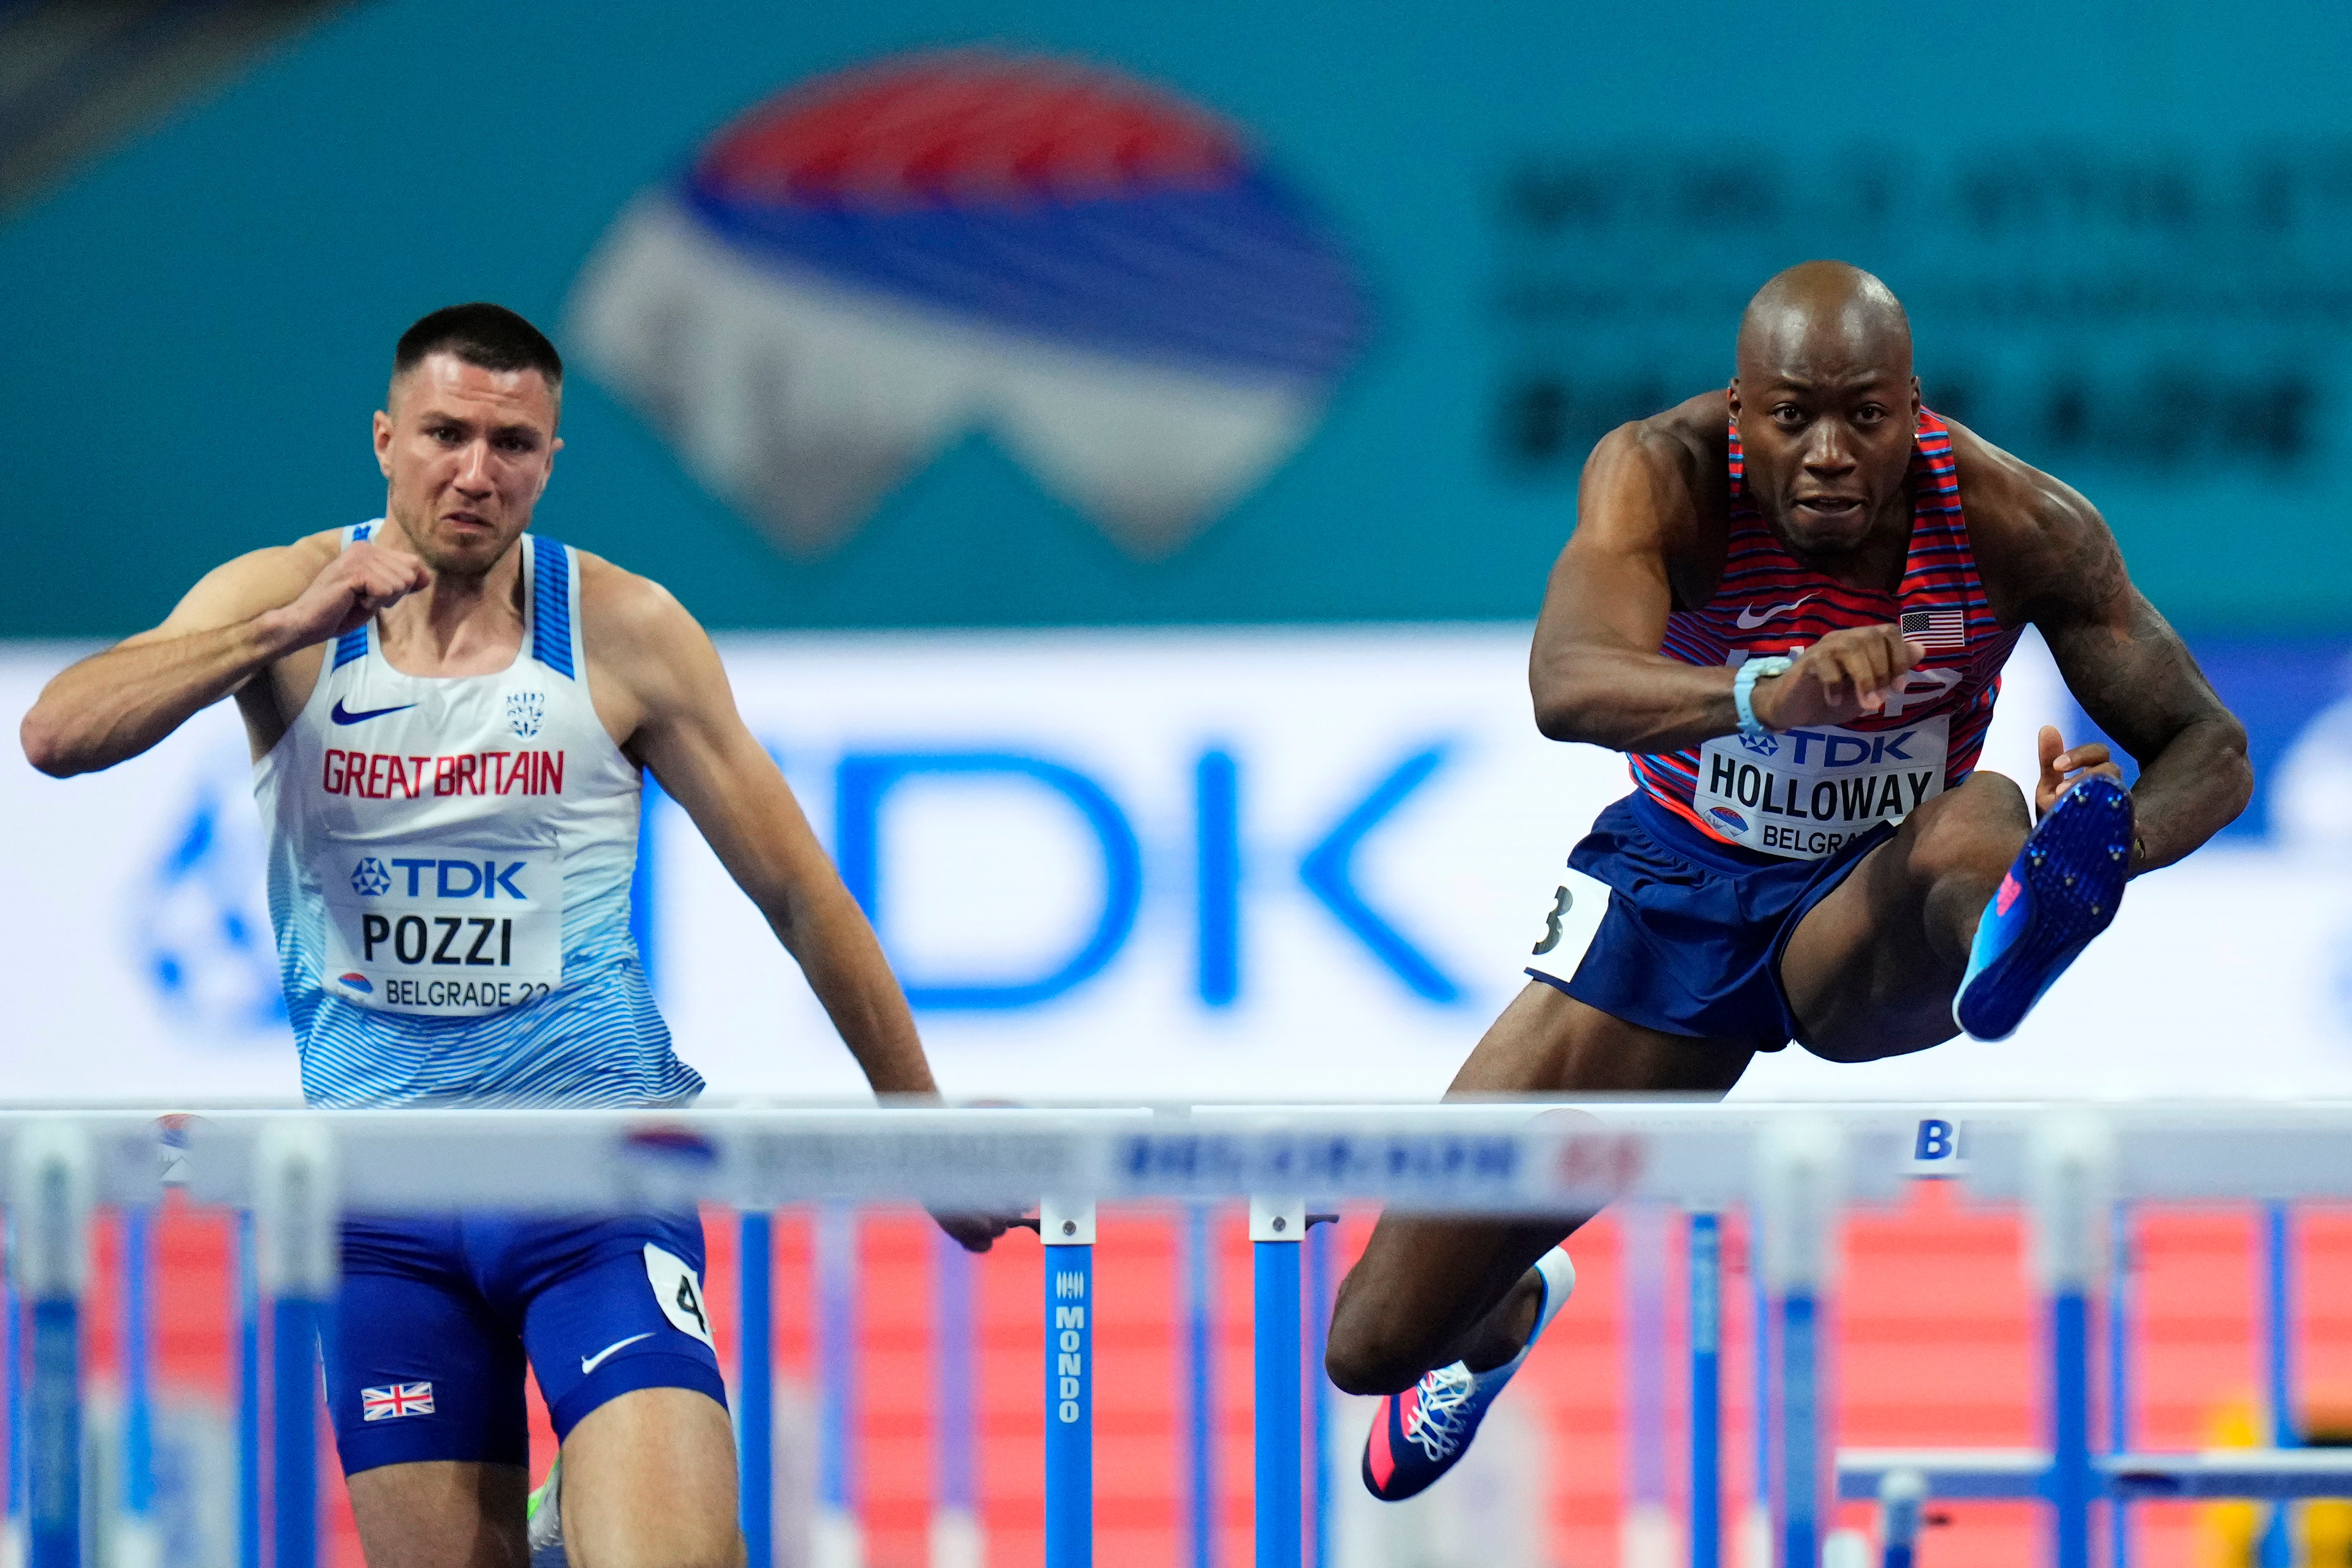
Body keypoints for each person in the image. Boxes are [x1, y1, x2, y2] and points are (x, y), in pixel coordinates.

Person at [18, 303, 1009, 1568]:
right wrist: (281, 632)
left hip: (595, 1182)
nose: (476, 472)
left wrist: (922, 1132)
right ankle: (552, 1533)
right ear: (386, 440)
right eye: (445, 434)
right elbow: (56, 735)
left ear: (550, 460)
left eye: (513, 444)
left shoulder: (625, 630)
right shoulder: (281, 595)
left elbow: (803, 896)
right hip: (382, 1209)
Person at [1324, 261, 2252, 1501]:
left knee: (1981, 817)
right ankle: (1507, 1312)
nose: (1827, 453)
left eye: (1865, 416)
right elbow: (1566, 680)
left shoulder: (2016, 523)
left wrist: (2113, 836)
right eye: (1792, 416)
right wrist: (1769, 692)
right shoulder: (1659, 474)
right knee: (1372, 1345)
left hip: (1870, 913)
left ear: (1914, 408)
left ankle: (2027, 907)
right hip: (1673, 897)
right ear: (1738, 412)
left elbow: (2212, 748)